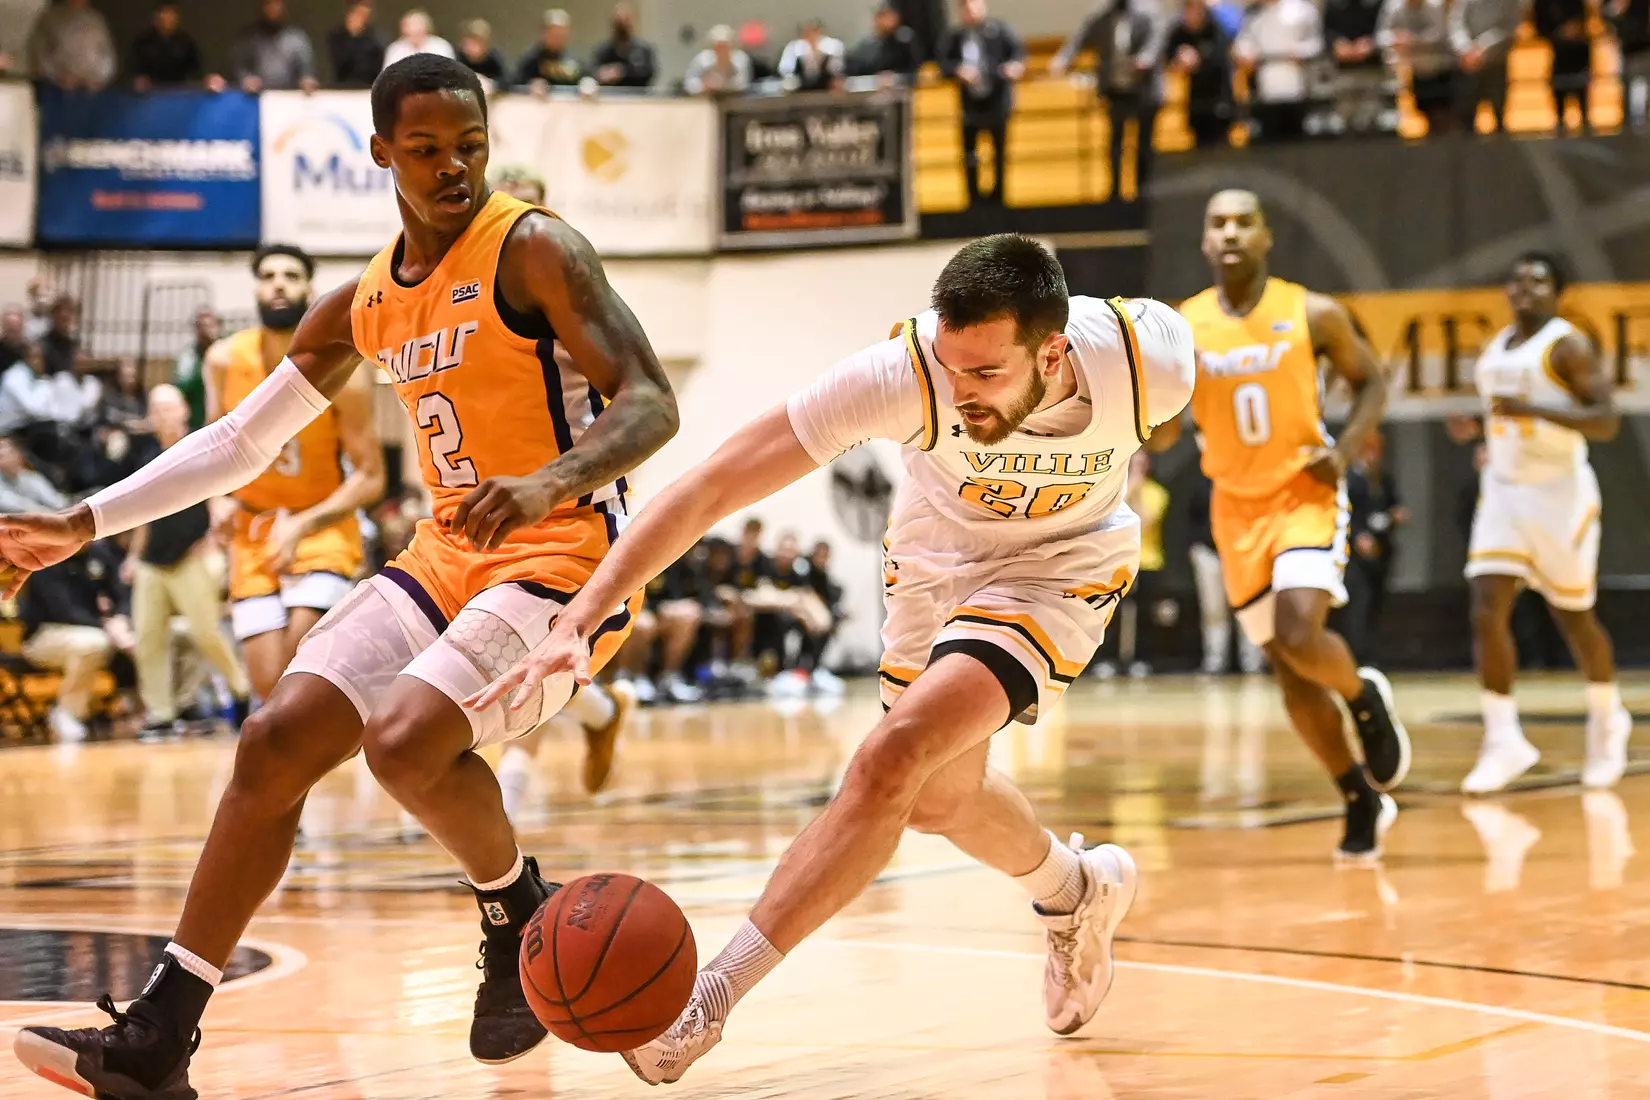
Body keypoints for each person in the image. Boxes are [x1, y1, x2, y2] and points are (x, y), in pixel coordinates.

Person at [9, 53, 677, 1098]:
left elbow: (650, 402)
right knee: (274, 740)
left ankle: (513, 909)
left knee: (403, 741)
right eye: (425, 149)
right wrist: (79, 522)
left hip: (569, 560)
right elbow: (235, 443)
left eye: (469, 145)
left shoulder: (535, 248)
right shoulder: (365, 298)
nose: (453, 167)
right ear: (381, 154)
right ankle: (158, 1035)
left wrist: (556, 477)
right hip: (448, 556)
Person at [471, 234, 1193, 1083]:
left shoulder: (1153, 359)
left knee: (894, 759)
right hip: (937, 564)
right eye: (952, 369)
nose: (962, 396)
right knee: (935, 800)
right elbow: (710, 487)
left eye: (988, 376)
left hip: (1060, 567)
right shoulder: (901, 374)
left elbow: (1168, 423)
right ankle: (1077, 889)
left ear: (1055, 349)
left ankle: (711, 999)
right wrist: (583, 613)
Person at [1170, 189, 1409, 860]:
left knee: (1301, 631)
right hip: (1233, 507)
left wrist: (1347, 447)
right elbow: (1162, 432)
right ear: (1204, 240)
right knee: (1290, 671)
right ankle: (1359, 795)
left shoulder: (1313, 312)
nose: (1230, 233)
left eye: (1244, 222)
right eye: (1217, 222)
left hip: (1302, 493)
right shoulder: (1184, 326)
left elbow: (1371, 382)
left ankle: (1365, 698)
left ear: (1266, 236)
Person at [1461, 253, 1632, 793]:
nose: (1524, 289)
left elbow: (1605, 421)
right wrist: (1484, 437)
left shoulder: (1567, 345)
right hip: (1505, 494)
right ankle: (1502, 738)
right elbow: (1504, 414)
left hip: (1559, 495)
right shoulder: (1497, 346)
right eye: (1516, 280)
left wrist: (1533, 411)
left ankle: (1608, 719)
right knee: (1487, 609)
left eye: (1538, 281)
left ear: (1557, 292)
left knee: (1574, 618)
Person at [204, 244, 383, 704]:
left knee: (298, 668)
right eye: (268, 275)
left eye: (290, 275)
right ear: (256, 288)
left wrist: (302, 525)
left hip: (320, 525)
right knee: (266, 683)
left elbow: (371, 476)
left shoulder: (344, 367)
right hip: (253, 528)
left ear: (310, 290)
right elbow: (209, 453)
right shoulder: (224, 360)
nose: (278, 283)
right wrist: (218, 501)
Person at [125, 385, 252, 737]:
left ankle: (241, 689)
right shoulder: (146, 455)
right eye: (156, 409)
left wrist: (216, 538)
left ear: (184, 410)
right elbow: (140, 513)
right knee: (148, 638)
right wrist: (134, 557)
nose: (163, 415)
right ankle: (160, 714)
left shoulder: (202, 448)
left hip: (190, 557)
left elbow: (224, 500)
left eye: (169, 407)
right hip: (153, 562)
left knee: (206, 633)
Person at [938, 0, 1026, 207]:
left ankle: (1000, 198)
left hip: (998, 102)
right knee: (970, 155)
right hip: (969, 106)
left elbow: (1018, 55)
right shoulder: (955, 37)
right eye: (965, 7)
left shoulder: (1001, 30)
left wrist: (1014, 66)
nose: (970, 11)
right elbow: (943, 65)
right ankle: (973, 200)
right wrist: (957, 70)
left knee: (1000, 153)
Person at [1335, 430, 1404, 660]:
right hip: (1354, 556)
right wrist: (1357, 537)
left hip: (1380, 553)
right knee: (1358, 605)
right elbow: (1343, 513)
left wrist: (1396, 516)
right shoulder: (1349, 479)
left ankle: (1372, 656)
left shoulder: (1383, 479)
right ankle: (1355, 657)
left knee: (1376, 604)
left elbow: (1393, 506)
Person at [1232, 0, 1324, 142]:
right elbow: (1242, 42)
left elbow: (1316, 43)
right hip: (1265, 87)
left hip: (1297, 85)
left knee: (1297, 137)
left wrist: (1300, 52)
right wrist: (1246, 55)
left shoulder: (1302, 9)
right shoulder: (1253, 13)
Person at [1377, 0, 1456, 134]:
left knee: (1440, 115)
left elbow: (1441, 34)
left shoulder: (1435, 5)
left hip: (1436, 68)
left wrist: (1412, 40)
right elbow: (1381, 36)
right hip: (1406, 68)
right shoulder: (1393, 6)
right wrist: (1395, 38)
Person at [1166, 0, 1234, 148]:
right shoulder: (1180, 30)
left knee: (1221, 148)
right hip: (1196, 102)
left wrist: (1198, 59)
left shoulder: (1215, 28)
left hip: (1219, 101)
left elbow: (1220, 57)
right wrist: (1178, 57)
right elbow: (1168, 55)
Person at [1451, 0, 1520, 132]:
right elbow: (1456, 23)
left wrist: (1483, 47)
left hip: (1496, 61)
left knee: (1498, 110)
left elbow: (1510, 27)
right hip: (1468, 63)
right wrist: (1465, 48)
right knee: (1466, 115)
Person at [26, 0, 115, 92]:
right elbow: (39, 55)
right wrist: (58, 78)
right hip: (57, 89)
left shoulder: (96, 20)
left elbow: (107, 54)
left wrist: (98, 78)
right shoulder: (50, 19)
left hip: (91, 89)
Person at [232, 0, 317, 93]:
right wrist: (246, 79)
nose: (273, 8)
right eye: (268, 3)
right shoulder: (248, 37)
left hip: (290, 98)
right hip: (256, 97)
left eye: (277, 3)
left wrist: (307, 81)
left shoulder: (297, 38)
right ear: (262, 6)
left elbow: (307, 72)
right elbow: (240, 67)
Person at [1533, 0, 1592, 132]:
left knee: (1584, 108)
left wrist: (1576, 28)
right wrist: (1559, 33)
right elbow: (1540, 25)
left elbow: (1585, 15)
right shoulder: (1544, 4)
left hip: (1580, 57)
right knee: (1559, 109)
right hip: (1558, 56)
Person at [131, 2, 210, 91]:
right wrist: (138, 79)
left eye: (171, 14)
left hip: (179, 91)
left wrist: (205, 80)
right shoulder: (142, 42)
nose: (166, 18)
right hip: (150, 93)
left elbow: (197, 69)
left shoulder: (186, 42)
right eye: (163, 13)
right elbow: (133, 68)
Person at [846, 3, 924, 82]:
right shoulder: (867, 45)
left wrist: (895, 78)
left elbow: (915, 71)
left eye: (886, 15)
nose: (884, 21)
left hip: (901, 88)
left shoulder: (905, 40)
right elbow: (854, 72)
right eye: (879, 16)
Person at [590, 2, 658, 87]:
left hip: (638, 96)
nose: (622, 25)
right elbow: (592, 72)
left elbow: (649, 73)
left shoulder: (644, 49)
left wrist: (621, 72)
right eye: (618, 22)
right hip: (610, 96)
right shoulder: (602, 50)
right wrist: (602, 74)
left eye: (626, 20)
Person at [172, 307, 218, 431]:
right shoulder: (189, 356)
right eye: (202, 327)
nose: (207, 330)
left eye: (210, 325)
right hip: (196, 423)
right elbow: (181, 386)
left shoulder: (224, 351)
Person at [517, 8, 582, 91]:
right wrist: (531, 85)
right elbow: (517, 84)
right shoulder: (531, 59)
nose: (558, 37)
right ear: (544, 33)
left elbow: (586, 78)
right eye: (553, 33)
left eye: (561, 33)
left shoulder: (574, 59)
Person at [327, 0, 385, 88]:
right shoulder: (337, 36)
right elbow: (341, 62)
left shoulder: (374, 36)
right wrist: (354, 34)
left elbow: (378, 62)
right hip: (344, 86)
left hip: (369, 86)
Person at [778, 19, 847, 91]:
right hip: (800, 87)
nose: (811, 35)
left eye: (814, 31)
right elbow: (785, 70)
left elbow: (838, 70)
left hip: (828, 86)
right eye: (808, 32)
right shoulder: (793, 47)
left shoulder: (833, 45)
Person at [684, 23, 753, 95]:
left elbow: (743, 83)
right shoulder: (703, 59)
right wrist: (703, 86)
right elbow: (689, 83)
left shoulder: (740, 58)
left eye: (725, 45)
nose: (721, 49)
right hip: (707, 98)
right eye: (718, 45)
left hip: (733, 99)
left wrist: (723, 85)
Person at [383, 8, 453, 69]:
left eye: (417, 31)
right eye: (409, 31)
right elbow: (387, 76)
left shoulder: (441, 46)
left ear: (426, 30)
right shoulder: (395, 49)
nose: (413, 34)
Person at [456, 19, 508, 85]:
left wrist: (492, 84)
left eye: (477, 43)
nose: (472, 47)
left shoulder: (494, 58)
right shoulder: (457, 57)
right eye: (470, 42)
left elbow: (508, 82)